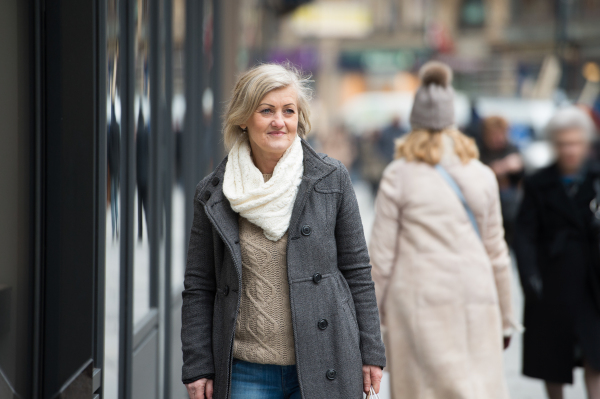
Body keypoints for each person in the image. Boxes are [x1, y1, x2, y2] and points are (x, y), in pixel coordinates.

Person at [181, 63, 386, 399]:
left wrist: (371, 352)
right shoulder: (214, 193)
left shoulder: (331, 179)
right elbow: (200, 286)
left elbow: (358, 272)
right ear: (244, 119)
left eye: (288, 111)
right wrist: (198, 364)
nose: (279, 121)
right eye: (267, 110)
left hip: (325, 361)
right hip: (245, 369)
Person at [369, 61, 520, 399]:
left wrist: (370, 323)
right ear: (454, 121)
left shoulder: (399, 174)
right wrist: (507, 318)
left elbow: (381, 257)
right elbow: (497, 252)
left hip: (417, 302)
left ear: (414, 122)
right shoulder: (482, 174)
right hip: (476, 299)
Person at [514, 106, 600, 399]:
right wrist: (529, 277)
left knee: (596, 354)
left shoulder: (597, 178)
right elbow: (524, 234)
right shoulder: (540, 183)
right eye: (563, 143)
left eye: (575, 142)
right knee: (551, 358)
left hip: (593, 281)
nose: (570, 150)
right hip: (552, 281)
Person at [479, 116, 524, 245]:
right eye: (494, 134)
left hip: (510, 212)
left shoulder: (511, 149)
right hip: (487, 207)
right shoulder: (480, 151)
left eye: (501, 134)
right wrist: (502, 167)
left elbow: (520, 174)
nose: (498, 138)